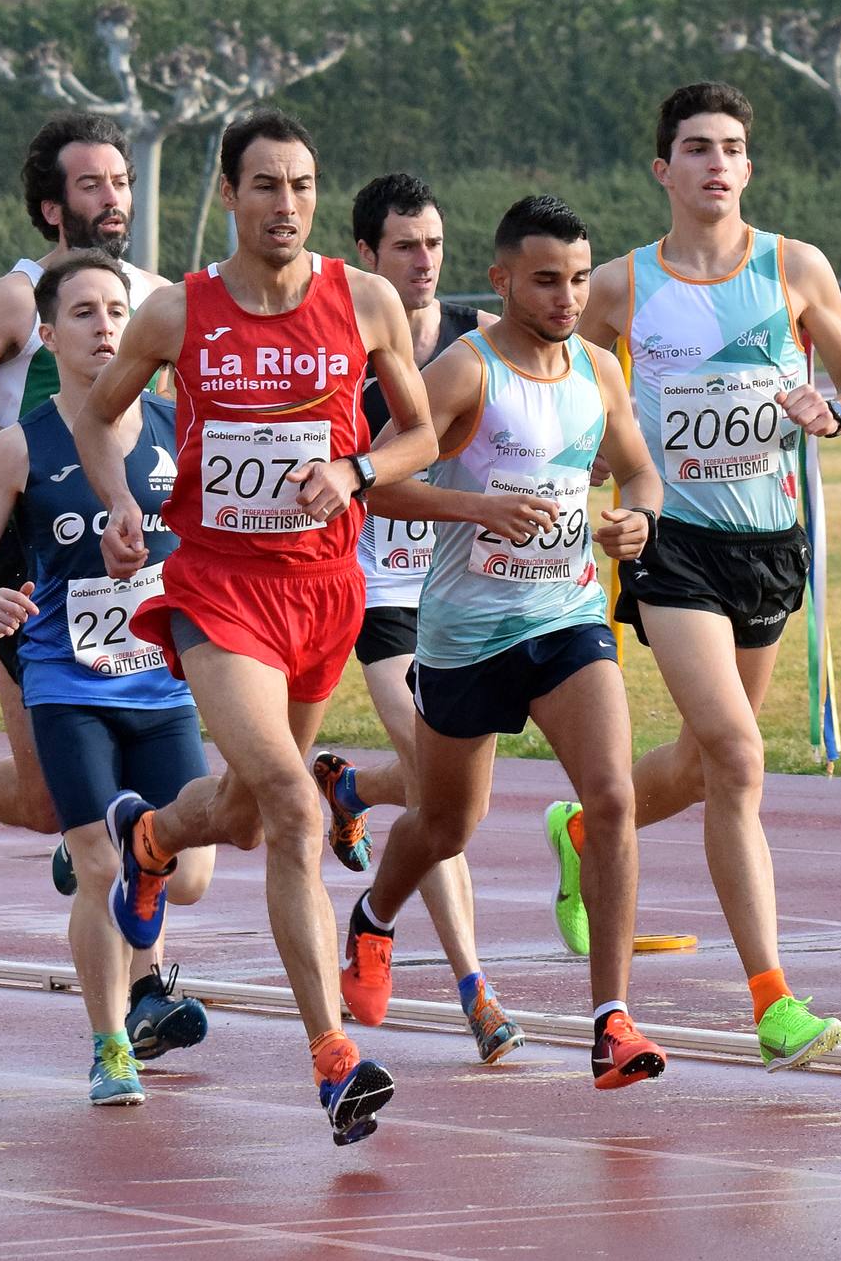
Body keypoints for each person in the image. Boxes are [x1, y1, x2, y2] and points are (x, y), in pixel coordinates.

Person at [70, 108, 437, 1146]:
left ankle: (148, 836)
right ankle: (330, 1055)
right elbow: (97, 413)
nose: (286, 206)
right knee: (288, 803)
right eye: (265, 186)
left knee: (234, 814)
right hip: (217, 588)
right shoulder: (175, 313)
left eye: (303, 186)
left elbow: (414, 434)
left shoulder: (361, 301)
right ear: (227, 195)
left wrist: (354, 470)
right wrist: (122, 506)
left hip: (322, 590)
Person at [550, 81, 841, 1073]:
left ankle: (579, 828)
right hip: (674, 548)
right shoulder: (616, 287)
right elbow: (565, 393)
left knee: (703, 766)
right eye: (696, 147)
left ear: (747, 165)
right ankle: (772, 1000)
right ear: (662, 169)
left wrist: (831, 413)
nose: (715, 164)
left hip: (768, 547)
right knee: (737, 757)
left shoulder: (793, 268)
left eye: (731, 147)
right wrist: (597, 484)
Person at [356, 194, 668, 1092]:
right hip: (464, 634)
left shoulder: (600, 371)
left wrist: (635, 520)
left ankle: (610, 1020)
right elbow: (373, 484)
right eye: (546, 280)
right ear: (500, 280)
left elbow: (638, 466)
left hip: (566, 618)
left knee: (610, 799)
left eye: (578, 279)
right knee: (449, 823)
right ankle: (375, 916)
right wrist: (477, 506)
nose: (569, 297)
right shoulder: (466, 370)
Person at [0, 251, 217, 1106]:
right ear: (50, 335)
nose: (105, 327)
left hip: (163, 684)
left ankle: (146, 876)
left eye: (117, 311)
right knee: (96, 866)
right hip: (67, 684)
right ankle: (111, 1046)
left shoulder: (179, 428)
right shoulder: (22, 447)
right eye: (86, 314)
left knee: (195, 871)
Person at [0, 112, 171, 901]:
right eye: (91, 184)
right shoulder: (19, 298)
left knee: (140, 767)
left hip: (132, 545)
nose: (113, 197)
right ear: (53, 206)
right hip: (34, 553)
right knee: (48, 795)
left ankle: (127, 930)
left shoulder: (155, 297)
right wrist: (27, 459)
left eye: (120, 181)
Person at [309, 173, 522, 1065]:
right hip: (378, 594)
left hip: (465, 597)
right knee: (442, 794)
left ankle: (351, 790)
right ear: (366, 255)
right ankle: (475, 986)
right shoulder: (341, 357)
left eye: (434, 244)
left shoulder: (479, 346)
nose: (423, 262)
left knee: (447, 792)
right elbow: (372, 487)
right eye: (404, 247)